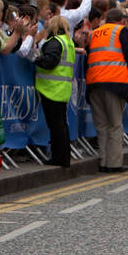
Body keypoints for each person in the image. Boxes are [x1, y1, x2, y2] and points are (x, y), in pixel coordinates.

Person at [86, 7, 128, 173]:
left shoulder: (94, 33)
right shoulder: (121, 31)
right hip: (115, 81)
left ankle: (103, 162)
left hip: (94, 83)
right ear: (122, 20)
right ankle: (114, 163)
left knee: (101, 125)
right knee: (115, 125)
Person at [32, 16, 75, 168]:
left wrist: (36, 58)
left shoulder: (55, 42)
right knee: (61, 125)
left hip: (51, 88)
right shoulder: (68, 41)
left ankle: (58, 158)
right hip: (62, 89)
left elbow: (50, 62)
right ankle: (64, 157)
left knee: (56, 125)